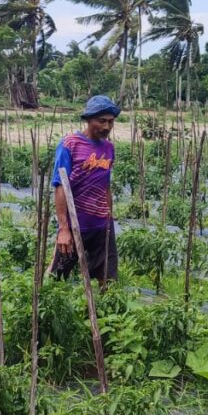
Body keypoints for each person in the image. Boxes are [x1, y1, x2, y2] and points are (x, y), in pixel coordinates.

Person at [51, 94, 120, 282]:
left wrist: (109, 217)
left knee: (108, 281)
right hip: (76, 224)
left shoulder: (109, 148)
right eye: (101, 121)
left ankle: (101, 311)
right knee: (57, 278)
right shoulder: (70, 144)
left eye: (111, 122)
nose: (106, 127)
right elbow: (60, 187)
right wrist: (64, 229)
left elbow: (105, 185)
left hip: (101, 224)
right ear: (89, 119)